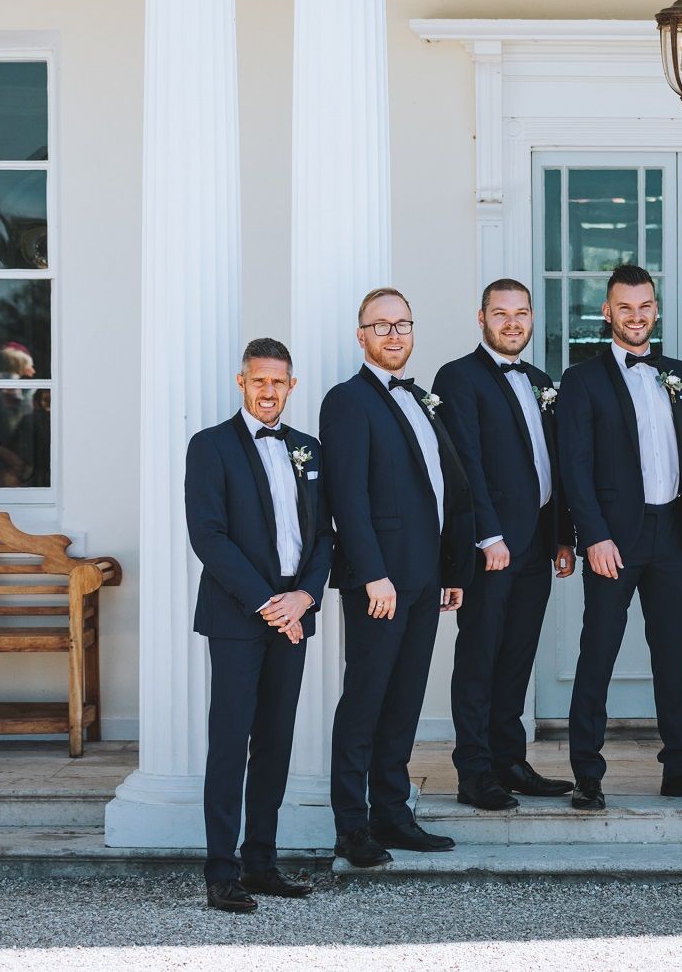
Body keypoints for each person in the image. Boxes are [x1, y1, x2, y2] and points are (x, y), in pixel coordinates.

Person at [557, 263, 682, 810]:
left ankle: (680, 766)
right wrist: (593, 537)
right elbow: (575, 467)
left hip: (671, 534)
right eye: (624, 307)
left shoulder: (678, 373)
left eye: (645, 306)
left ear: (656, 310)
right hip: (613, 537)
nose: (636, 317)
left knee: (671, 653)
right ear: (607, 312)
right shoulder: (581, 379)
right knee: (598, 652)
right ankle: (587, 773)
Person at [320, 288, 476, 867]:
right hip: (381, 585)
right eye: (380, 326)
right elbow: (348, 499)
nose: (393, 334)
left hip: (425, 577)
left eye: (403, 324)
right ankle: (350, 826)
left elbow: (444, 491)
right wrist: (372, 576)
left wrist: (449, 570)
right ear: (360, 335)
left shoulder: (420, 399)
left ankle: (393, 812)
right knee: (365, 702)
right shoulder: (347, 401)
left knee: (405, 700)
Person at [183, 338, 334, 913]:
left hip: (294, 615)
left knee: (275, 741)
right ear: (242, 383)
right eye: (259, 381)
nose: (269, 391)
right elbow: (209, 537)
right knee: (230, 740)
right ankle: (221, 872)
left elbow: (324, 535)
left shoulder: (308, 449)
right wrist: (270, 603)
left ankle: (262, 861)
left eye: (279, 382)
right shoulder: (211, 446)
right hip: (239, 617)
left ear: (291, 386)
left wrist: (304, 598)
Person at [433, 279, 577, 810]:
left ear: (532, 318)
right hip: (491, 546)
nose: (512, 323)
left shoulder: (541, 380)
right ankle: (474, 770)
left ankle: (509, 761)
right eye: (501, 313)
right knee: (480, 657)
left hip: (538, 546)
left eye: (521, 313)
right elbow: (463, 462)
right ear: (482, 318)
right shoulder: (457, 377)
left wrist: (564, 537)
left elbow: (555, 465)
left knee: (517, 656)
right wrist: (487, 536)